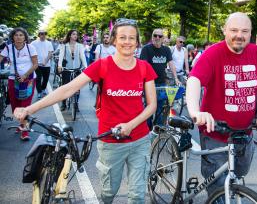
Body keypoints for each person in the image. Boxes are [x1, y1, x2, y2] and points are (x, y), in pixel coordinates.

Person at [14, 18, 157, 204]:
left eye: (132, 38)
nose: (127, 42)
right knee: (108, 193)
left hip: (140, 140)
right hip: (110, 141)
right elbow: (67, 89)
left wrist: (131, 125)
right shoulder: (103, 66)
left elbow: (152, 105)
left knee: (137, 195)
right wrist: (29, 108)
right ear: (114, 40)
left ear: (137, 42)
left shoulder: (144, 68)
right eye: (122, 37)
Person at [186, 12, 257, 198]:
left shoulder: (256, 52)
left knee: (237, 176)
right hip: (215, 134)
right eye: (234, 30)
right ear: (225, 30)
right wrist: (196, 111)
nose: (239, 35)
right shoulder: (213, 53)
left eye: (244, 31)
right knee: (219, 187)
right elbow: (194, 80)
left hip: (245, 134)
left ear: (250, 33)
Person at [0, 27, 38, 140]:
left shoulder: (30, 48)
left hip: (29, 80)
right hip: (13, 79)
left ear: (25, 37)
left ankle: (24, 131)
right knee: (15, 105)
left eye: (21, 35)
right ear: (12, 37)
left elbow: (35, 64)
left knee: (25, 105)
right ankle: (21, 124)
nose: (18, 37)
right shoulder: (8, 48)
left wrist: (25, 75)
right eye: (16, 35)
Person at [140, 28, 180, 127]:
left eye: (160, 36)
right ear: (152, 37)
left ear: (163, 38)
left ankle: (157, 128)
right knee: (149, 106)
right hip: (149, 83)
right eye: (155, 35)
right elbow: (144, 66)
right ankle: (147, 128)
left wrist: (176, 78)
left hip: (161, 83)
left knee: (160, 106)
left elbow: (171, 64)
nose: (157, 38)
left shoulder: (166, 50)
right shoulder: (146, 49)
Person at [58, 29, 87, 111]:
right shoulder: (64, 45)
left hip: (77, 69)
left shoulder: (80, 46)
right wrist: (59, 66)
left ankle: (76, 104)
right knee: (64, 87)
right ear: (70, 35)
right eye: (73, 34)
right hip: (66, 69)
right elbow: (61, 56)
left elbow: (82, 57)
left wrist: (86, 67)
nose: (75, 36)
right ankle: (63, 103)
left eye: (76, 34)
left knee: (77, 88)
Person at [31, 30, 54, 99]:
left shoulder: (49, 43)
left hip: (47, 65)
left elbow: (50, 53)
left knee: (46, 79)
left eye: (44, 34)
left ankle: (43, 89)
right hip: (37, 64)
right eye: (41, 34)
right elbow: (30, 52)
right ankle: (39, 92)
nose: (43, 35)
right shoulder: (34, 43)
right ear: (38, 35)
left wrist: (45, 62)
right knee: (38, 78)